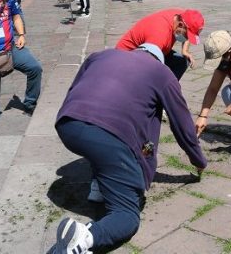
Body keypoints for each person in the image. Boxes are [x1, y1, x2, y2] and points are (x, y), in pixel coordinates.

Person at [50, 43, 207, 254]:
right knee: (126, 215)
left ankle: (99, 186)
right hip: (108, 135)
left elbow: (75, 89)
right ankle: (84, 237)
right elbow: (182, 124)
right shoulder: (161, 72)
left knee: (100, 150)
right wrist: (198, 159)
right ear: (159, 60)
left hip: (67, 124)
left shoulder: (100, 55)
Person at [116, 8, 204, 80]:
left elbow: (188, 31)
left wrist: (185, 51)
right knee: (154, 78)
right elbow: (146, 67)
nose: (186, 38)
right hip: (127, 59)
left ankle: (168, 89)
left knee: (182, 62)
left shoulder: (181, 16)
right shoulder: (160, 35)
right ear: (180, 25)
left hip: (156, 50)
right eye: (186, 35)